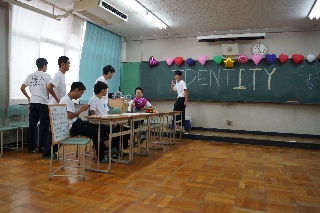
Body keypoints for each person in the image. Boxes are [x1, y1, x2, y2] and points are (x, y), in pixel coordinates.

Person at [42, 82, 109, 163]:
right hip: (72, 126)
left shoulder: (67, 100)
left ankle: (105, 150)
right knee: (96, 131)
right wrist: (81, 109)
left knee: (97, 127)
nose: (80, 95)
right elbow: (70, 116)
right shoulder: (66, 100)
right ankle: (101, 155)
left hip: (75, 123)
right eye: (81, 93)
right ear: (76, 90)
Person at [20, 58, 52, 153]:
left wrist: (28, 97)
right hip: (42, 103)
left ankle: (31, 147)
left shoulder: (30, 76)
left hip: (33, 103)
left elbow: (22, 88)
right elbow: (49, 88)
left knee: (32, 126)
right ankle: (41, 147)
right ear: (44, 65)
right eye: (46, 66)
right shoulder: (47, 76)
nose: (46, 68)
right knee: (44, 126)